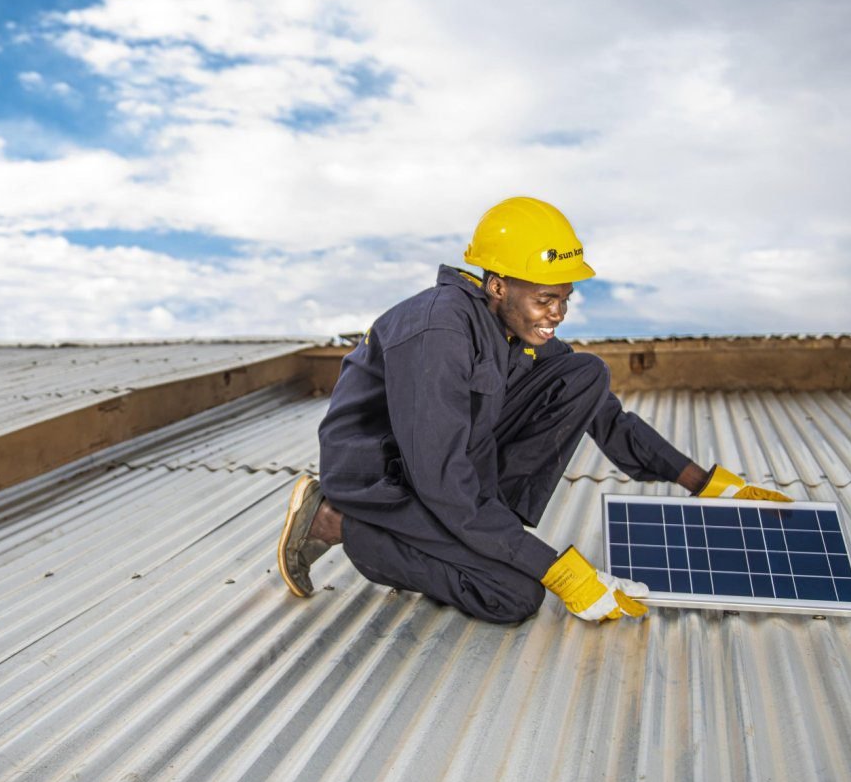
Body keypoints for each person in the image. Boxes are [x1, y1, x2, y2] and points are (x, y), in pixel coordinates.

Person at [277, 196, 791, 625]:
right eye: (546, 299)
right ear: (497, 286)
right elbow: (442, 482)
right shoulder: (439, 333)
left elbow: (607, 417)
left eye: (566, 299)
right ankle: (332, 521)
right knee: (513, 595)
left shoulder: (509, 331)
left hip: (442, 468)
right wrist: (556, 569)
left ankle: (488, 530)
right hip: (389, 481)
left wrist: (704, 482)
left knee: (585, 372)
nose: (558, 314)